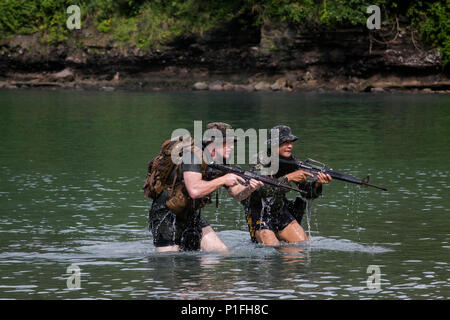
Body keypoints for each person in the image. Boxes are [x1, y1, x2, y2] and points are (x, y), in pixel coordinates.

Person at [148, 122, 264, 253]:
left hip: (191, 214)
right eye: (227, 142)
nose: (231, 146)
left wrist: (250, 188)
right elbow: (194, 191)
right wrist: (223, 180)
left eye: (233, 142)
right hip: (166, 214)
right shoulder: (193, 156)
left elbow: (237, 194)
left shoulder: (221, 161)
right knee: (168, 262)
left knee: (221, 252)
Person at [242, 125, 332, 246]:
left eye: (291, 142)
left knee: (302, 245)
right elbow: (263, 191)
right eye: (285, 142)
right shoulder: (261, 159)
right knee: (272, 250)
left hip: (279, 210)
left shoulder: (292, 160)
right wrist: (289, 178)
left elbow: (308, 194)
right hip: (259, 213)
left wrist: (317, 184)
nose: (289, 146)